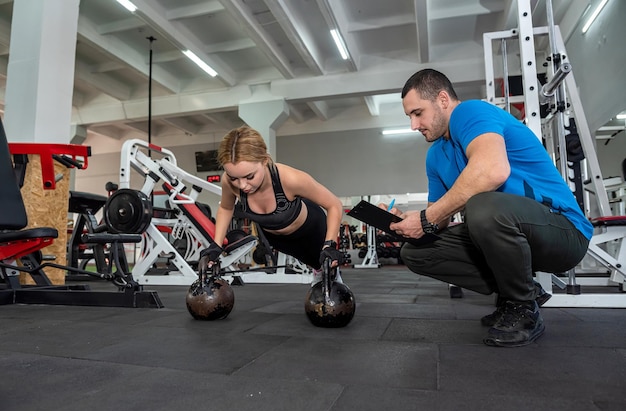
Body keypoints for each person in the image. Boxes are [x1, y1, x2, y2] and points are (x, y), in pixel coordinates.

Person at [384, 69, 592, 347]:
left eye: (418, 113)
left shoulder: (470, 113)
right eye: (409, 116)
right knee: (416, 253)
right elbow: (438, 218)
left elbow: (493, 171)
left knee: (482, 206)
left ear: (443, 99)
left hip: (564, 232)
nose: (413, 125)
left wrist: (426, 218)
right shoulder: (435, 155)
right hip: (513, 231)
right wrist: (409, 220)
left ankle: (523, 307)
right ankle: (519, 291)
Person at [198, 125, 345, 283]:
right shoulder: (228, 182)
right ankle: (318, 270)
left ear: (264, 161)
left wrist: (330, 244)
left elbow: (334, 204)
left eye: (250, 176)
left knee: (328, 273)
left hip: (311, 232)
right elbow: (226, 208)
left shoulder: (290, 179)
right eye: (234, 178)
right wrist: (216, 245)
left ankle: (327, 274)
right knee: (316, 266)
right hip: (279, 241)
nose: (242, 185)